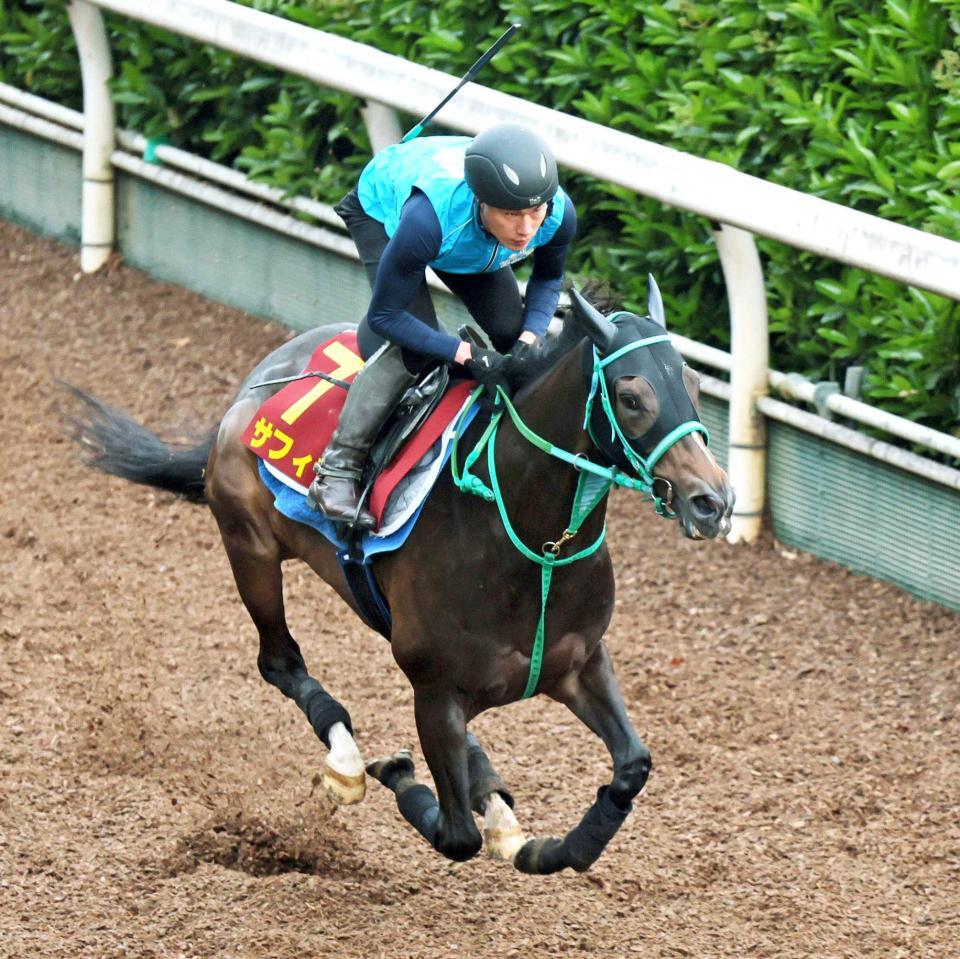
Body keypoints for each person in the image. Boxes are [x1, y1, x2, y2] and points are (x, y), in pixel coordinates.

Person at [308, 122, 577, 529]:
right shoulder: (426, 220)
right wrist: (465, 353)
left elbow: (547, 280)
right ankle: (337, 472)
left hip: (467, 242)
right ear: (482, 202)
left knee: (512, 334)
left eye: (534, 213)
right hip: (384, 213)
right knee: (416, 347)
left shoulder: (557, 211)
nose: (526, 230)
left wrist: (529, 336)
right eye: (511, 215)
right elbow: (386, 315)